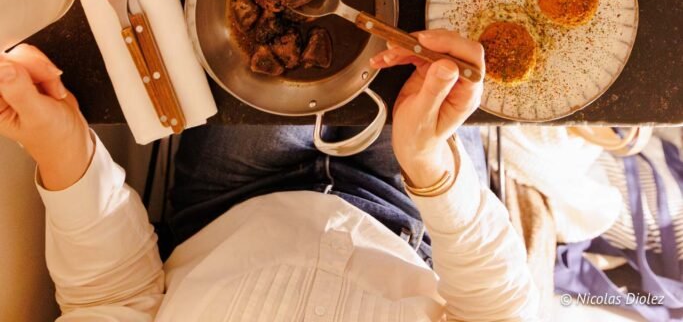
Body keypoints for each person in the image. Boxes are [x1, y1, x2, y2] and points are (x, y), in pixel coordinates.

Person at [0, 30, 539, 321]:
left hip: (229, 199)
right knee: (443, 26)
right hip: (411, 209)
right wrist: (430, 166)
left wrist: (59, 141)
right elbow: (501, 313)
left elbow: (107, 301)